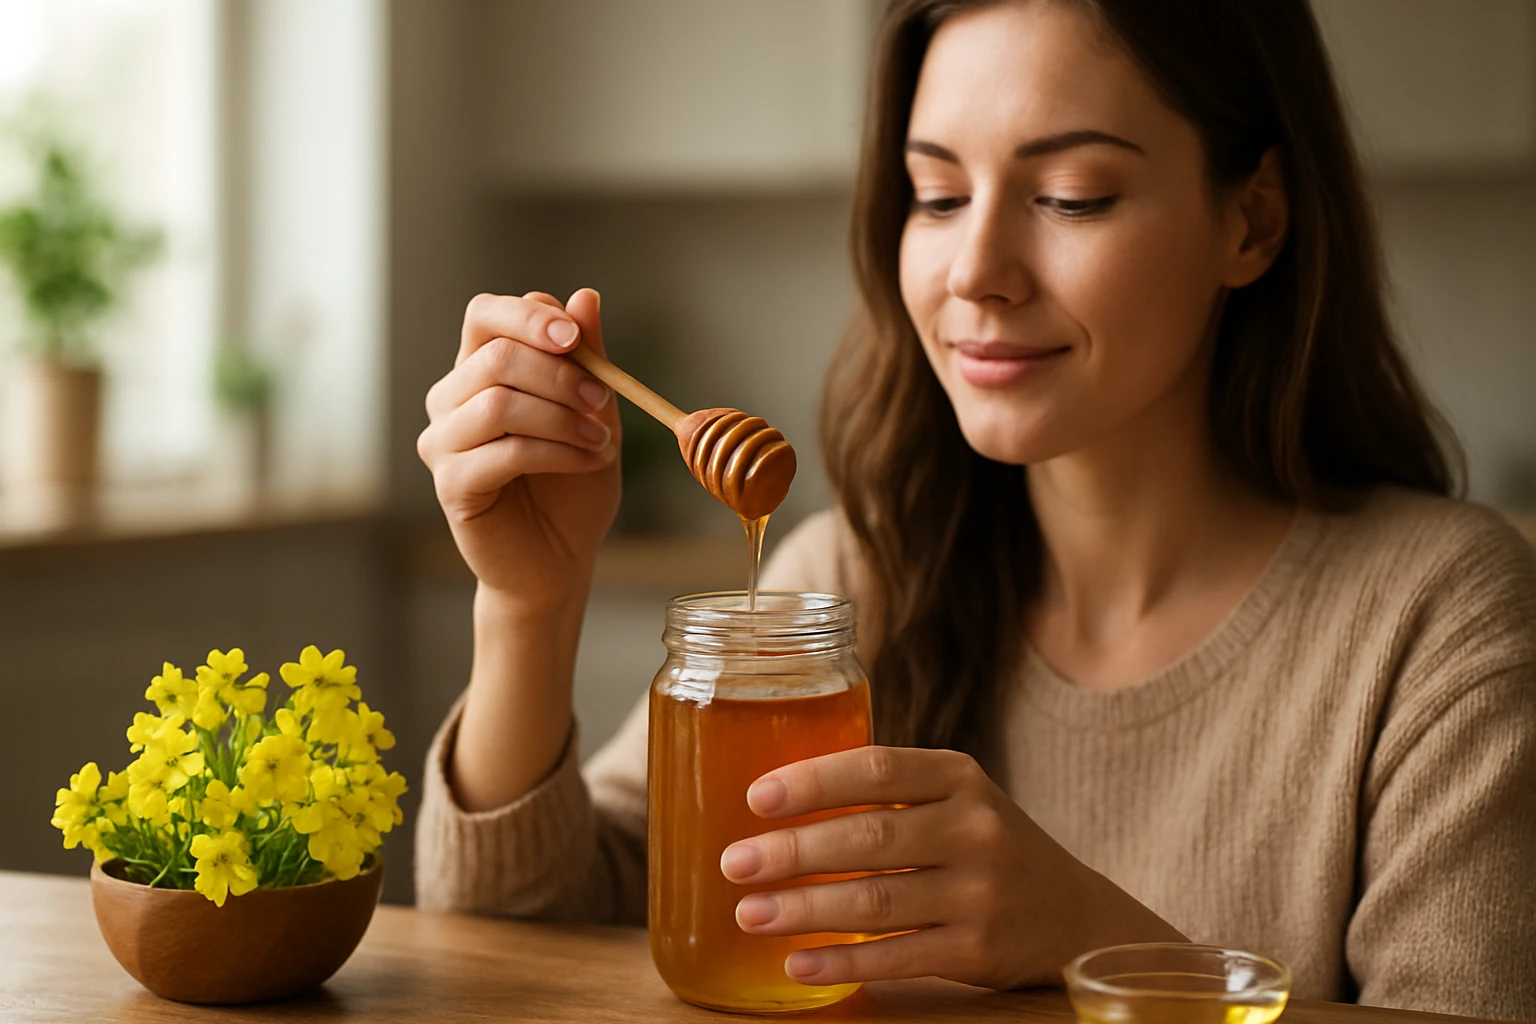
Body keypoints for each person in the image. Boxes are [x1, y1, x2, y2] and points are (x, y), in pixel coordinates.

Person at [411, 0, 1536, 1017]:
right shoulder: (853, 582)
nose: (976, 270)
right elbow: (523, 942)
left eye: (1070, 196)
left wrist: (1091, 939)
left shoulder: (1441, 627)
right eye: (936, 195)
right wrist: (529, 602)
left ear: (1252, 222)